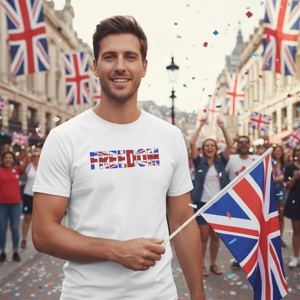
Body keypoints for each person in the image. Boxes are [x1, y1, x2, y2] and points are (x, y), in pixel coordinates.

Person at [32, 15, 205, 300]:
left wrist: (198, 294)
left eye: (130, 57)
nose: (120, 66)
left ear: (144, 66)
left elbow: (182, 222)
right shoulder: (65, 138)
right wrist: (116, 250)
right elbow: (42, 233)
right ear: (95, 66)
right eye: (110, 57)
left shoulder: (170, 136)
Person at [190, 116, 231, 277]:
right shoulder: (199, 162)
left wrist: (222, 127)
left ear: (215, 148)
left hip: (219, 205)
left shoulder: (222, 162)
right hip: (202, 204)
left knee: (215, 237)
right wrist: (200, 125)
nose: (209, 147)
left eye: (212, 145)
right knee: (204, 237)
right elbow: (192, 144)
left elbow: (229, 145)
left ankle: (213, 264)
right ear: (203, 148)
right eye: (207, 145)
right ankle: (201, 265)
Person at [225, 135, 259, 270]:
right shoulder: (232, 159)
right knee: (237, 231)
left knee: (253, 231)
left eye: (246, 142)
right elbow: (222, 174)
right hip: (235, 201)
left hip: (252, 201)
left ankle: (254, 257)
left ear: (249, 145)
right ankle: (238, 257)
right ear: (237, 145)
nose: (244, 144)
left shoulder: (256, 159)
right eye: (241, 142)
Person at [0, 142, 30, 262]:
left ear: (13, 160)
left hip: (15, 205)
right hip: (1, 205)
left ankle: (15, 251)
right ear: (2, 160)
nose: (8, 160)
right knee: (2, 229)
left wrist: (26, 148)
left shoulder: (17, 170)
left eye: (10, 158)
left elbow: (27, 162)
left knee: (15, 227)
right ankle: (2, 251)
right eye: (5, 158)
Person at [20, 148, 41, 249]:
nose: (36, 157)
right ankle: (24, 239)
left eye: (38, 155)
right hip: (28, 195)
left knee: (40, 219)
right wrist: (25, 145)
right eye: (34, 156)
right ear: (31, 157)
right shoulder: (28, 166)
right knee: (27, 218)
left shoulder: (44, 166)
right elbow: (25, 157)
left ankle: (39, 240)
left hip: (40, 196)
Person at [284, 144, 300, 268]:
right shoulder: (290, 168)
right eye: (298, 150)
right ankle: (295, 256)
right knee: (296, 231)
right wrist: (294, 178)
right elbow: (286, 186)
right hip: (295, 200)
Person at [272, 145, 287, 247]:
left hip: (282, 192)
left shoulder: (285, 164)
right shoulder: (270, 163)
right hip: (271, 192)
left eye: (279, 150)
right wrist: (281, 178)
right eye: (275, 150)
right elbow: (270, 179)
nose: (277, 152)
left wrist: (281, 179)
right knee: (272, 216)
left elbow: (287, 178)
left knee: (280, 216)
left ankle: (280, 238)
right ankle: (272, 236)